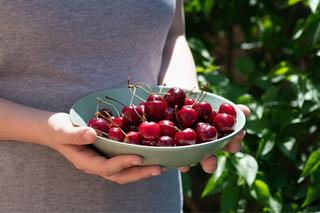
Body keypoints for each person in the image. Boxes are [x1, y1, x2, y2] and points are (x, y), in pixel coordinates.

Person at [0, 0, 250, 212]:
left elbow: (173, 35)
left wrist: (185, 115)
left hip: (153, 198)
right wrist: (47, 131)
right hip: (25, 196)